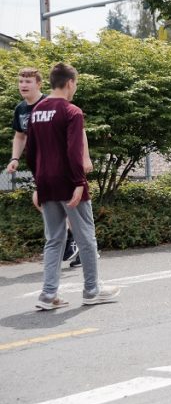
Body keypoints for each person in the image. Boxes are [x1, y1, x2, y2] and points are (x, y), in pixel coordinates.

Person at [22, 63, 119, 310]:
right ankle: (91, 290)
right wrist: (79, 182)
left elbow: (30, 152)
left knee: (54, 239)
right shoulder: (71, 111)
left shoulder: (36, 111)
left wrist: (37, 184)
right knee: (86, 238)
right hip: (68, 183)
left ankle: (48, 294)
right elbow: (74, 151)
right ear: (70, 83)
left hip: (45, 182)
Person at [7, 67, 83, 265]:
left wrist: (86, 158)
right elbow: (20, 135)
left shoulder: (49, 104)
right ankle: (74, 241)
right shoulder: (21, 109)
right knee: (43, 201)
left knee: (56, 202)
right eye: (21, 82)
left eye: (28, 82)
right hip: (41, 166)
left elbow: (77, 129)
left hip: (60, 165)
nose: (23, 85)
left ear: (39, 84)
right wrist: (15, 158)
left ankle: (77, 243)